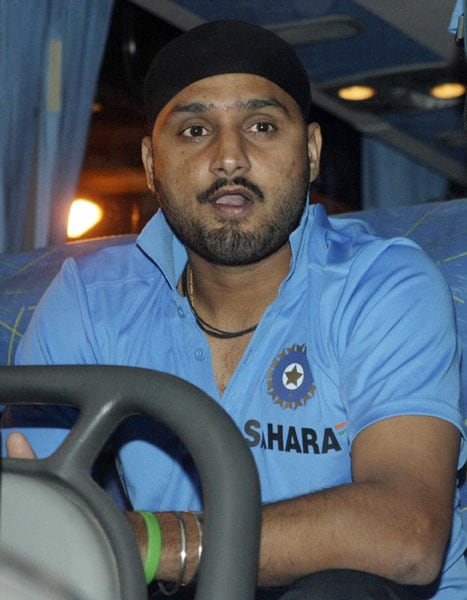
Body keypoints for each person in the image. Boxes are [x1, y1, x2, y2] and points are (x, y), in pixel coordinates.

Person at [3, 19, 467, 600]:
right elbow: (32, 529)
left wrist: (151, 542)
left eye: (262, 126)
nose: (229, 157)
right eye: (195, 130)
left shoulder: (381, 286)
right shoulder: (90, 304)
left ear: (313, 151)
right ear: (151, 163)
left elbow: (406, 534)